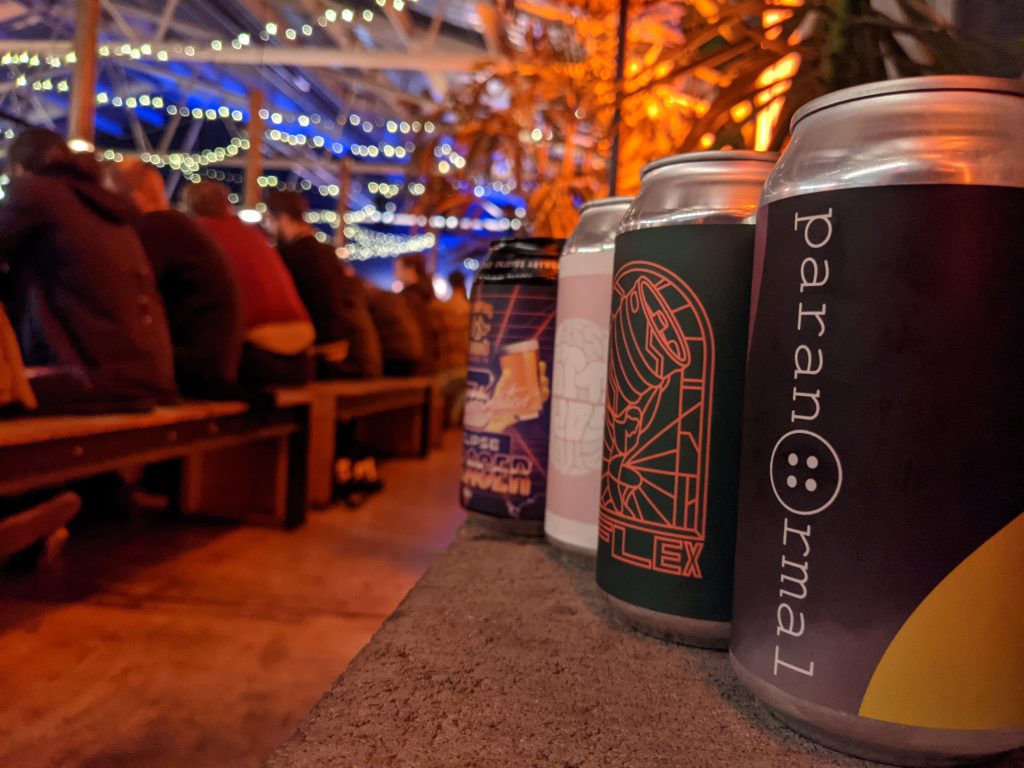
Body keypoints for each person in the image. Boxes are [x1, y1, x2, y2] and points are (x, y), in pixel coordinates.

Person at [0, 128, 177, 412]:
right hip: (146, 376)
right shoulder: (103, 202)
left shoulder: (36, 193)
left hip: (88, 375)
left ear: (19, 168)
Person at [107, 160, 245, 399]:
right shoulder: (178, 227)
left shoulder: (154, 230)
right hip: (216, 364)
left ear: (136, 198)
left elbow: (127, 296)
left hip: (195, 370)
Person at [183, 181, 314, 387]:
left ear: (189, 207)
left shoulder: (198, 234)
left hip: (259, 357)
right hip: (302, 361)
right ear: (228, 206)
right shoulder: (255, 236)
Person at [264, 190, 382, 379]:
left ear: (283, 219)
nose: (268, 228)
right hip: (342, 346)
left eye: (269, 221)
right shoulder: (327, 253)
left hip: (318, 351)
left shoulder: (291, 255)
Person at [394, 254, 443, 375]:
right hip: (432, 364)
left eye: (398, 269)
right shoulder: (429, 297)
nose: (395, 273)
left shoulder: (407, 300)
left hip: (414, 365)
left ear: (410, 269)